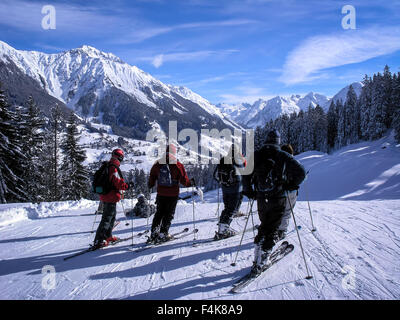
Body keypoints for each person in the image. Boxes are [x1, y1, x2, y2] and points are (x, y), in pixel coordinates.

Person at [242, 130, 306, 273]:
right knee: (272, 229)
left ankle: (257, 255)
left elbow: (245, 175)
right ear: (278, 141)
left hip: (261, 198)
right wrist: (291, 185)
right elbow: (301, 172)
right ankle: (263, 261)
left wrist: (250, 191)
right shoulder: (283, 155)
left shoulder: (256, 155)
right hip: (278, 198)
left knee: (264, 225)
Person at [148, 144, 194, 243]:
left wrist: (150, 184)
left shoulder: (158, 163)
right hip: (172, 194)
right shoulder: (177, 164)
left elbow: (152, 176)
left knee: (159, 213)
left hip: (161, 193)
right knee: (169, 214)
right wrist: (190, 183)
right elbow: (184, 180)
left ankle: (154, 232)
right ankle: (163, 233)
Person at [93, 149, 130, 248]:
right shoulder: (114, 167)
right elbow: (117, 182)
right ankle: (99, 240)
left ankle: (108, 236)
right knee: (107, 219)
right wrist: (127, 186)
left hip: (106, 196)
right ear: (120, 157)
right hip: (110, 196)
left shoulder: (109, 165)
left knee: (111, 217)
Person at [213, 143, 246, 240]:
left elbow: (215, 175)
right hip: (236, 188)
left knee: (227, 208)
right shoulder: (238, 159)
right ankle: (224, 230)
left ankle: (221, 229)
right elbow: (245, 169)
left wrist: (221, 182)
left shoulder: (223, 159)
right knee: (232, 209)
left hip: (225, 188)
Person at [277, 144, 297, 240]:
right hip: (291, 191)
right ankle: (281, 231)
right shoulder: (294, 161)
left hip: (279, 190)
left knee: (277, 210)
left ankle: (274, 228)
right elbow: (301, 175)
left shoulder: (278, 161)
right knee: (287, 211)